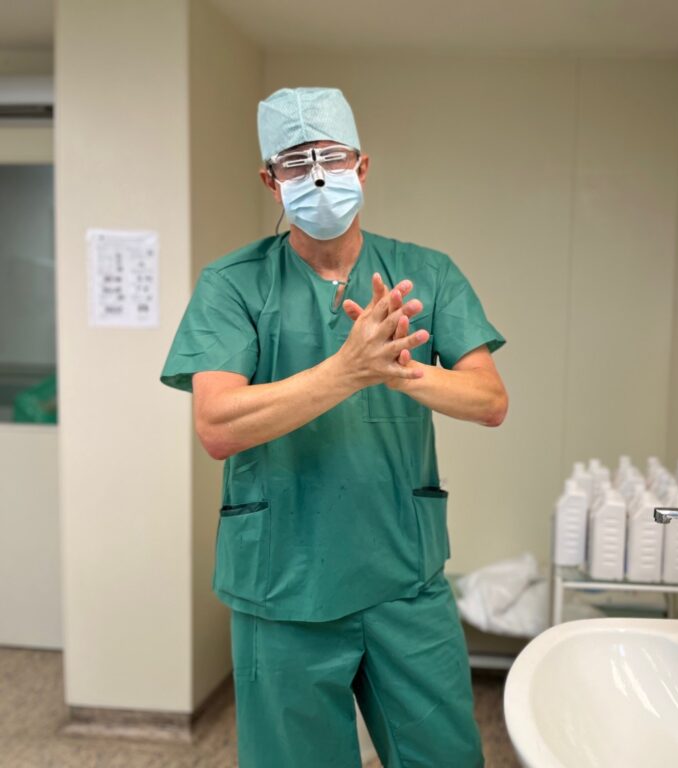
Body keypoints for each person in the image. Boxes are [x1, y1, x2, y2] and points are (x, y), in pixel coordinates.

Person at [160, 86, 507, 767]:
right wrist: (347, 370)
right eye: (295, 162)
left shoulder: (426, 273)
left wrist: (402, 372)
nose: (317, 176)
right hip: (281, 585)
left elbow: (489, 400)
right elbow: (218, 425)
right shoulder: (233, 284)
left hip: (403, 576)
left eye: (332, 157)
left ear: (362, 166)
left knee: (446, 757)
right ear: (270, 181)